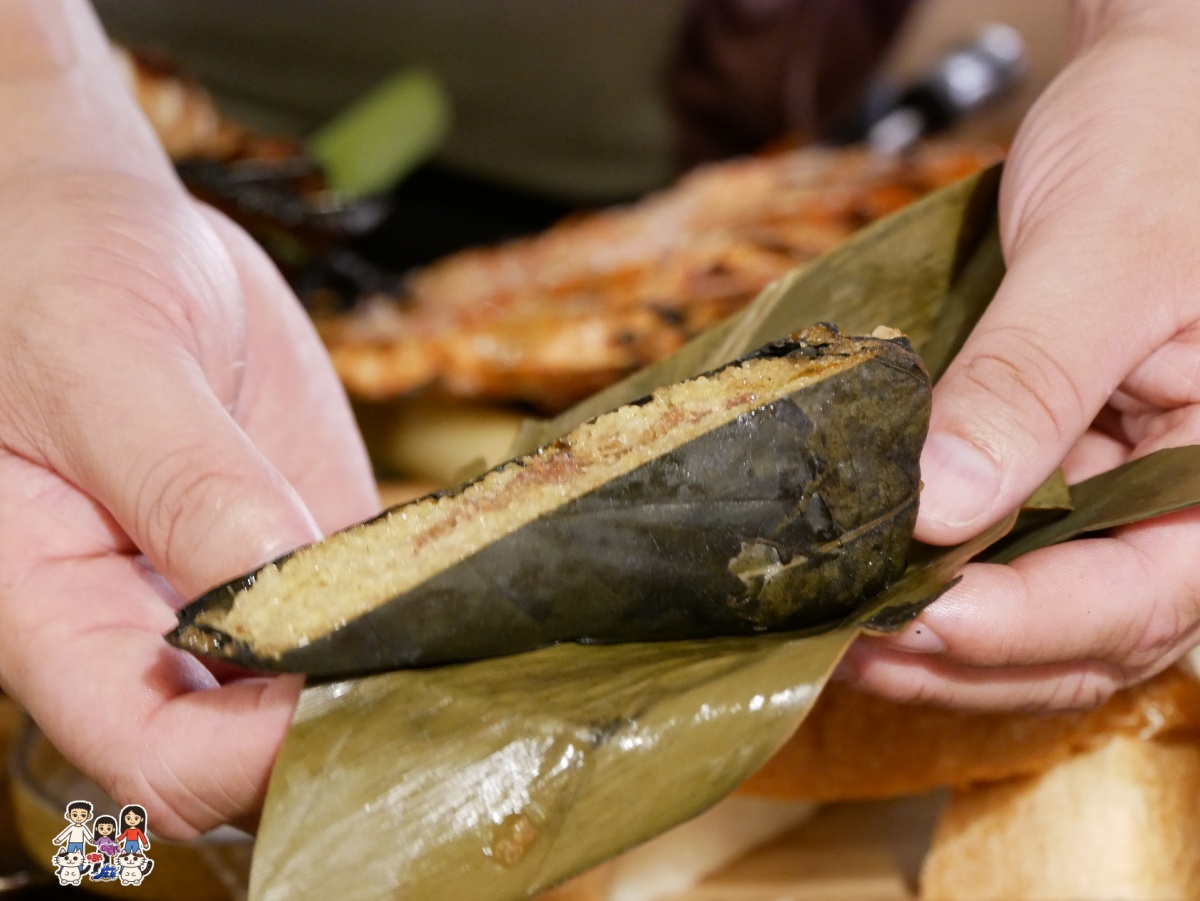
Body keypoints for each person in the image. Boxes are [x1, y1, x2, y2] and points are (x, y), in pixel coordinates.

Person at [1, 0, 1199, 843]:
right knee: (95, 822)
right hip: (194, 157)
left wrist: (1166, 33)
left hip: (699, 184)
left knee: (136, 811)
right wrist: (41, 117)